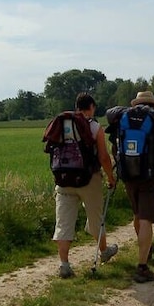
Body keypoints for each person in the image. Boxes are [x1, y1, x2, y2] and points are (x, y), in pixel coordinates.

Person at [106, 90, 154, 283]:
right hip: (150, 176)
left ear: (136, 103)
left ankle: (146, 249)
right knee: (146, 219)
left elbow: (114, 147)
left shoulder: (123, 118)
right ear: (153, 105)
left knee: (137, 215)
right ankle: (142, 267)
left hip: (128, 176)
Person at [52, 93, 118, 278]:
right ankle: (104, 251)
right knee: (96, 218)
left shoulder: (62, 124)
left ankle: (64, 265)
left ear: (76, 107)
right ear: (91, 107)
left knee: (63, 222)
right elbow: (103, 157)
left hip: (63, 179)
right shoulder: (95, 127)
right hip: (89, 179)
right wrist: (110, 177)